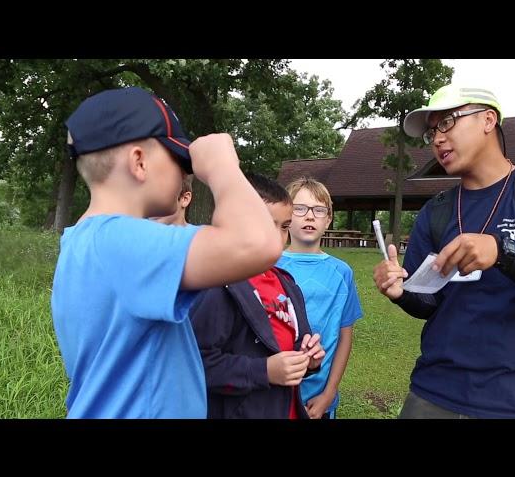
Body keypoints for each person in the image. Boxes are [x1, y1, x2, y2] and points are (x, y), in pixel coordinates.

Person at [51, 86, 281, 418]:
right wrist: (222, 167)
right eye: (178, 159)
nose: (187, 173)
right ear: (139, 162)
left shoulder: (83, 242)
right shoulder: (121, 242)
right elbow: (257, 242)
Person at [374, 84, 515, 418]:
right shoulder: (436, 211)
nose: (437, 139)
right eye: (432, 132)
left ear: (488, 120)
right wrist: (400, 292)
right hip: (434, 392)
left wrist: (502, 251)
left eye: (447, 123)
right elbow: (428, 302)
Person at [190, 173, 325, 418]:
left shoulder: (287, 284)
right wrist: (264, 371)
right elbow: (195, 364)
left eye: (284, 226)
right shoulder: (217, 284)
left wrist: (308, 359)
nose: (277, 236)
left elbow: (294, 344)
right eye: (264, 223)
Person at [277, 177, 363, 419]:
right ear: (287, 215)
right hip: (274, 396)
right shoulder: (268, 265)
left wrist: (329, 393)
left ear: (328, 219)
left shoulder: (342, 272)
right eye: (300, 209)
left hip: (319, 397)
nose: (310, 216)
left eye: (318, 210)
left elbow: (345, 336)